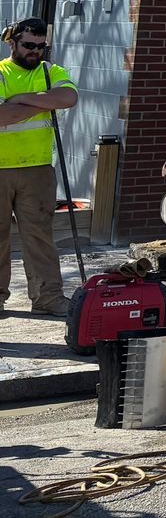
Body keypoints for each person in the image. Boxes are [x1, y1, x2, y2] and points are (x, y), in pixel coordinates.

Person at [0, 17, 79, 314]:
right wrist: (42, 102)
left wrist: (19, 100)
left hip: (38, 169)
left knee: (40, 237)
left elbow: (68, 98)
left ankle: (48, 297)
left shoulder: (51, 72)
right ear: (13, 42)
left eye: (41, 46)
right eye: (29, 45)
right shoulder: (0, 73)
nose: (35, 51)